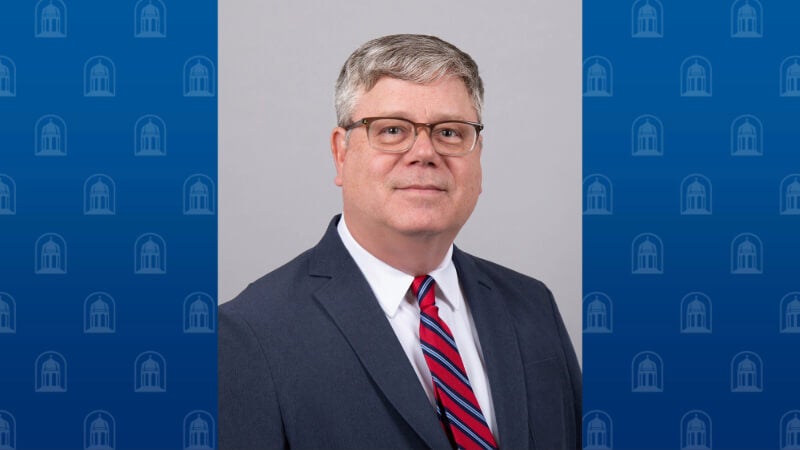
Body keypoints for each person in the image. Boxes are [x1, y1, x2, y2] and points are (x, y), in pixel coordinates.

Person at [219, 34, 581, 449]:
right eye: (392, 130)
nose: (424, 152)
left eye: (449, 132)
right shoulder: (249, 334)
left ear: (478, 156)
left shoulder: (532, 305)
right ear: (341, 153)